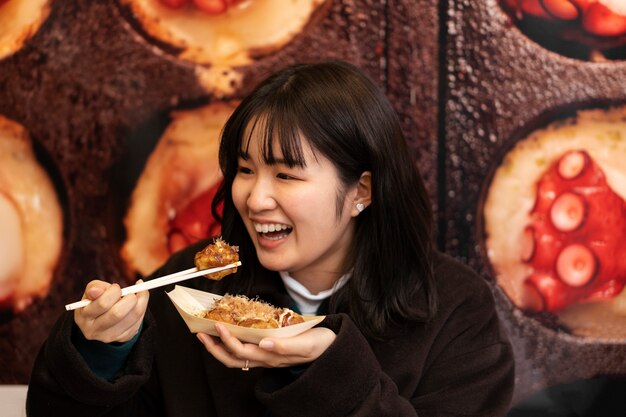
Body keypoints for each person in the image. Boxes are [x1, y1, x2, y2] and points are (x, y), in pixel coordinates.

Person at [27, 60, 514, 416]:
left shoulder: (454, 308)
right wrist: (99, 354)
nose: (255, 198)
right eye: (244, 170)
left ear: (360, 191)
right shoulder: (196, 283)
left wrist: (327, 370)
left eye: (286, 175)